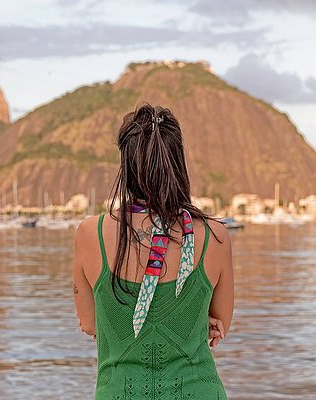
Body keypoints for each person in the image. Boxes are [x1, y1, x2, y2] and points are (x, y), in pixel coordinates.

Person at [73, 103, 234, 399]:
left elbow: (90, 323)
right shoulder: (215, 236)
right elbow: (221, 320)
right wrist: (198, 319)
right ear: (178, 163)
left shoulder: (90, 234)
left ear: (127, 164)